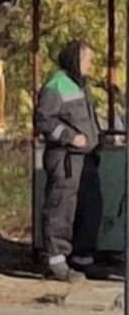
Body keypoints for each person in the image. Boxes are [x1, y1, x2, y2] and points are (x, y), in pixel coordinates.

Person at [37, 40, 105, 281]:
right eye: (88, 60)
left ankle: (82, 259)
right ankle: (56, 261)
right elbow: (44, 121)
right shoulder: (56, 85)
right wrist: (69, 137)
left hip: (86, 159)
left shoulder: (80, 86)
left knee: (89, 207)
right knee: (61, 208)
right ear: (75, 60)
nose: (91, 64)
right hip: (65, 159)